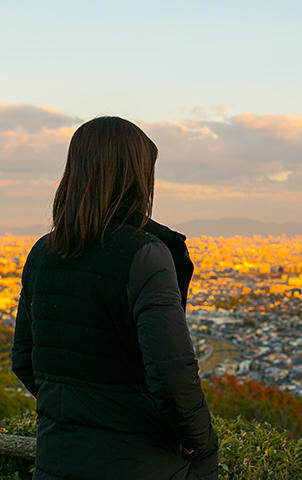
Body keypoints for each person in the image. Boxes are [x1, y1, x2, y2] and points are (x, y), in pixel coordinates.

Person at [10, 116, 218, 479]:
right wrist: (202, 443)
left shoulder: (42, 252)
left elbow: (25, 361)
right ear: (136, 176)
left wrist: (72, 409)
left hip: (56, 457)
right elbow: (172, 376)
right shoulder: (146, 255)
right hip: (138, 461)